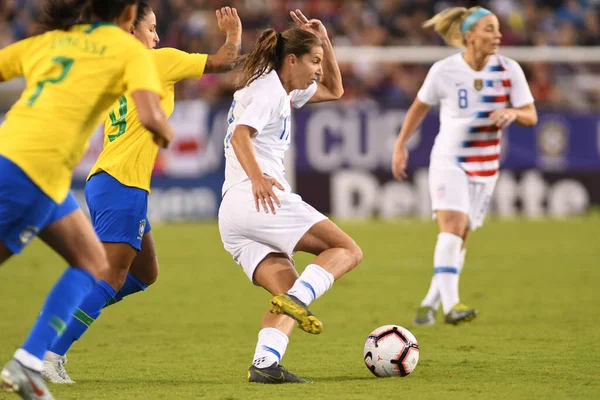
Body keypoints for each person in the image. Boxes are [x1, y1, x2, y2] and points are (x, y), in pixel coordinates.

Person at [41, 2, 242, 384]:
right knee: (112, 275)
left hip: (110, 180)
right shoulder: (156, 61)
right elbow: (223, 61)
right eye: (151, 29)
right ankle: (50, 353)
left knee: (145, 273)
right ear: (131, 31)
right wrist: (233, 33)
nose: (158, 36)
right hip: (122, 183)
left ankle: (72, 313)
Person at [0, 0, 174, 398]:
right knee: (93, 264)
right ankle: (33, 360)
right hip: (37, 170)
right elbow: (150, 116)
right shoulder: (128, 49)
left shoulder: (50, 42)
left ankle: (30, 361)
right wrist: (164, 131)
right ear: (128, 15)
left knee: (93, 261)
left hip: (17, 158)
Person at [219, 9, 361, 384]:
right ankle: (299, 301)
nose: (318, 69)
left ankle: (265, 364)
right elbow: (240, 136)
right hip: (257, 197)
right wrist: (259, 180)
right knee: (347, 251)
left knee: (287, 288)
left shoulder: (277, 87)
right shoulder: (269, 90)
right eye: (313, 61)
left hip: (232, 213)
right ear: (291, 60)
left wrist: (325, 42)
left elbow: (335, 90)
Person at [391, 6, 538, 326]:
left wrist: (513, 114)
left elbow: (531, 114)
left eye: (498, 28)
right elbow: (418, 107)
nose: (497, 35)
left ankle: (429, 305)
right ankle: (451, 305)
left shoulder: (509, 69)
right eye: (489, 29)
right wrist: (401, 144)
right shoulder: (444, 70)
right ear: (469, 35)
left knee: (461, 238)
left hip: (486, 165)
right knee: (452, 229)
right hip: (449, 160)